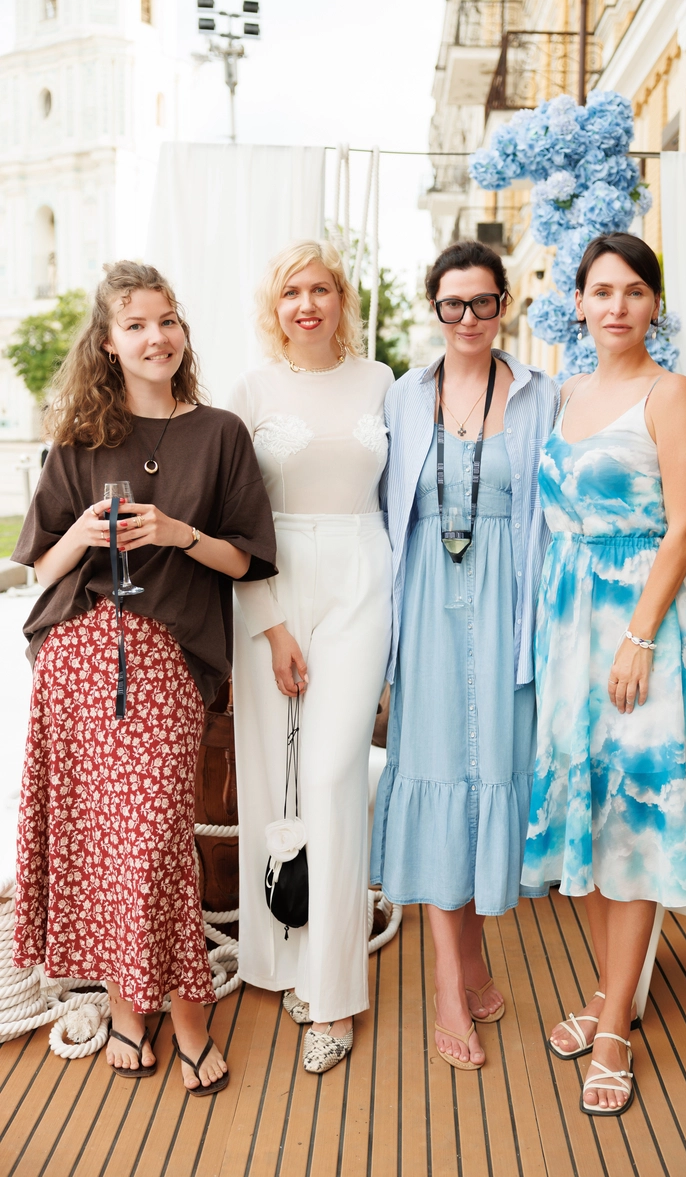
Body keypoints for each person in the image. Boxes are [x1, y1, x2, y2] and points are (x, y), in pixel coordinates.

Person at [12, 261, 276, 1095]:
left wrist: (175, 531)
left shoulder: (221, 433)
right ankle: (131, 1008)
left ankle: (185, 1013)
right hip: (80, 653)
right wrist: (86, 533)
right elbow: (39, 568)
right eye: (135, 325)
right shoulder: (80, 439)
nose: (155, 337)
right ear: (108, 341)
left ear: (182, 330)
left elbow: (247, 559)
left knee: (157, 838)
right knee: (105, 841)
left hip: (167, 657)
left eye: (167, 320)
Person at [521, 233, 686, 1116]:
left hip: (638, 625)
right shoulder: (565, 391)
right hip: (567, 624)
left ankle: (613, 1026)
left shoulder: (668, 392)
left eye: (633, 291)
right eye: (601, 290)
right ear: (577, 302)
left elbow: (685, 526)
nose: (616, 305)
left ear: (654, 304)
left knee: (634, 819)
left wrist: (638, 637)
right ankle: (608, 990)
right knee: (586, 804)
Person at [371, 240, 559, 1070]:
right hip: (425, 600)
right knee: (439, 770)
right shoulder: (403, 395)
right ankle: (450, 981)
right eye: (453, 304)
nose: (468, 318)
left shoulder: (542, 395)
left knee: (490, 776)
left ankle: (475, 959)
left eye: (483, 302)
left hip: (508, 603)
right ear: (434, 308)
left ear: (503, 305)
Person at [229, 239, 393, 1074]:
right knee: (273, 774)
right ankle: (280, 957)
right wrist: (268, 622)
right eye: (291, 290)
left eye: (320, 288)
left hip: (362, 578)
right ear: (275, 305)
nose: (306, 304)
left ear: (341, 299)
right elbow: (229, 514)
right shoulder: (252, 389)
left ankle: (331, 993)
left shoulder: (381, 381)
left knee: (331, 775)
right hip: (273, 584)